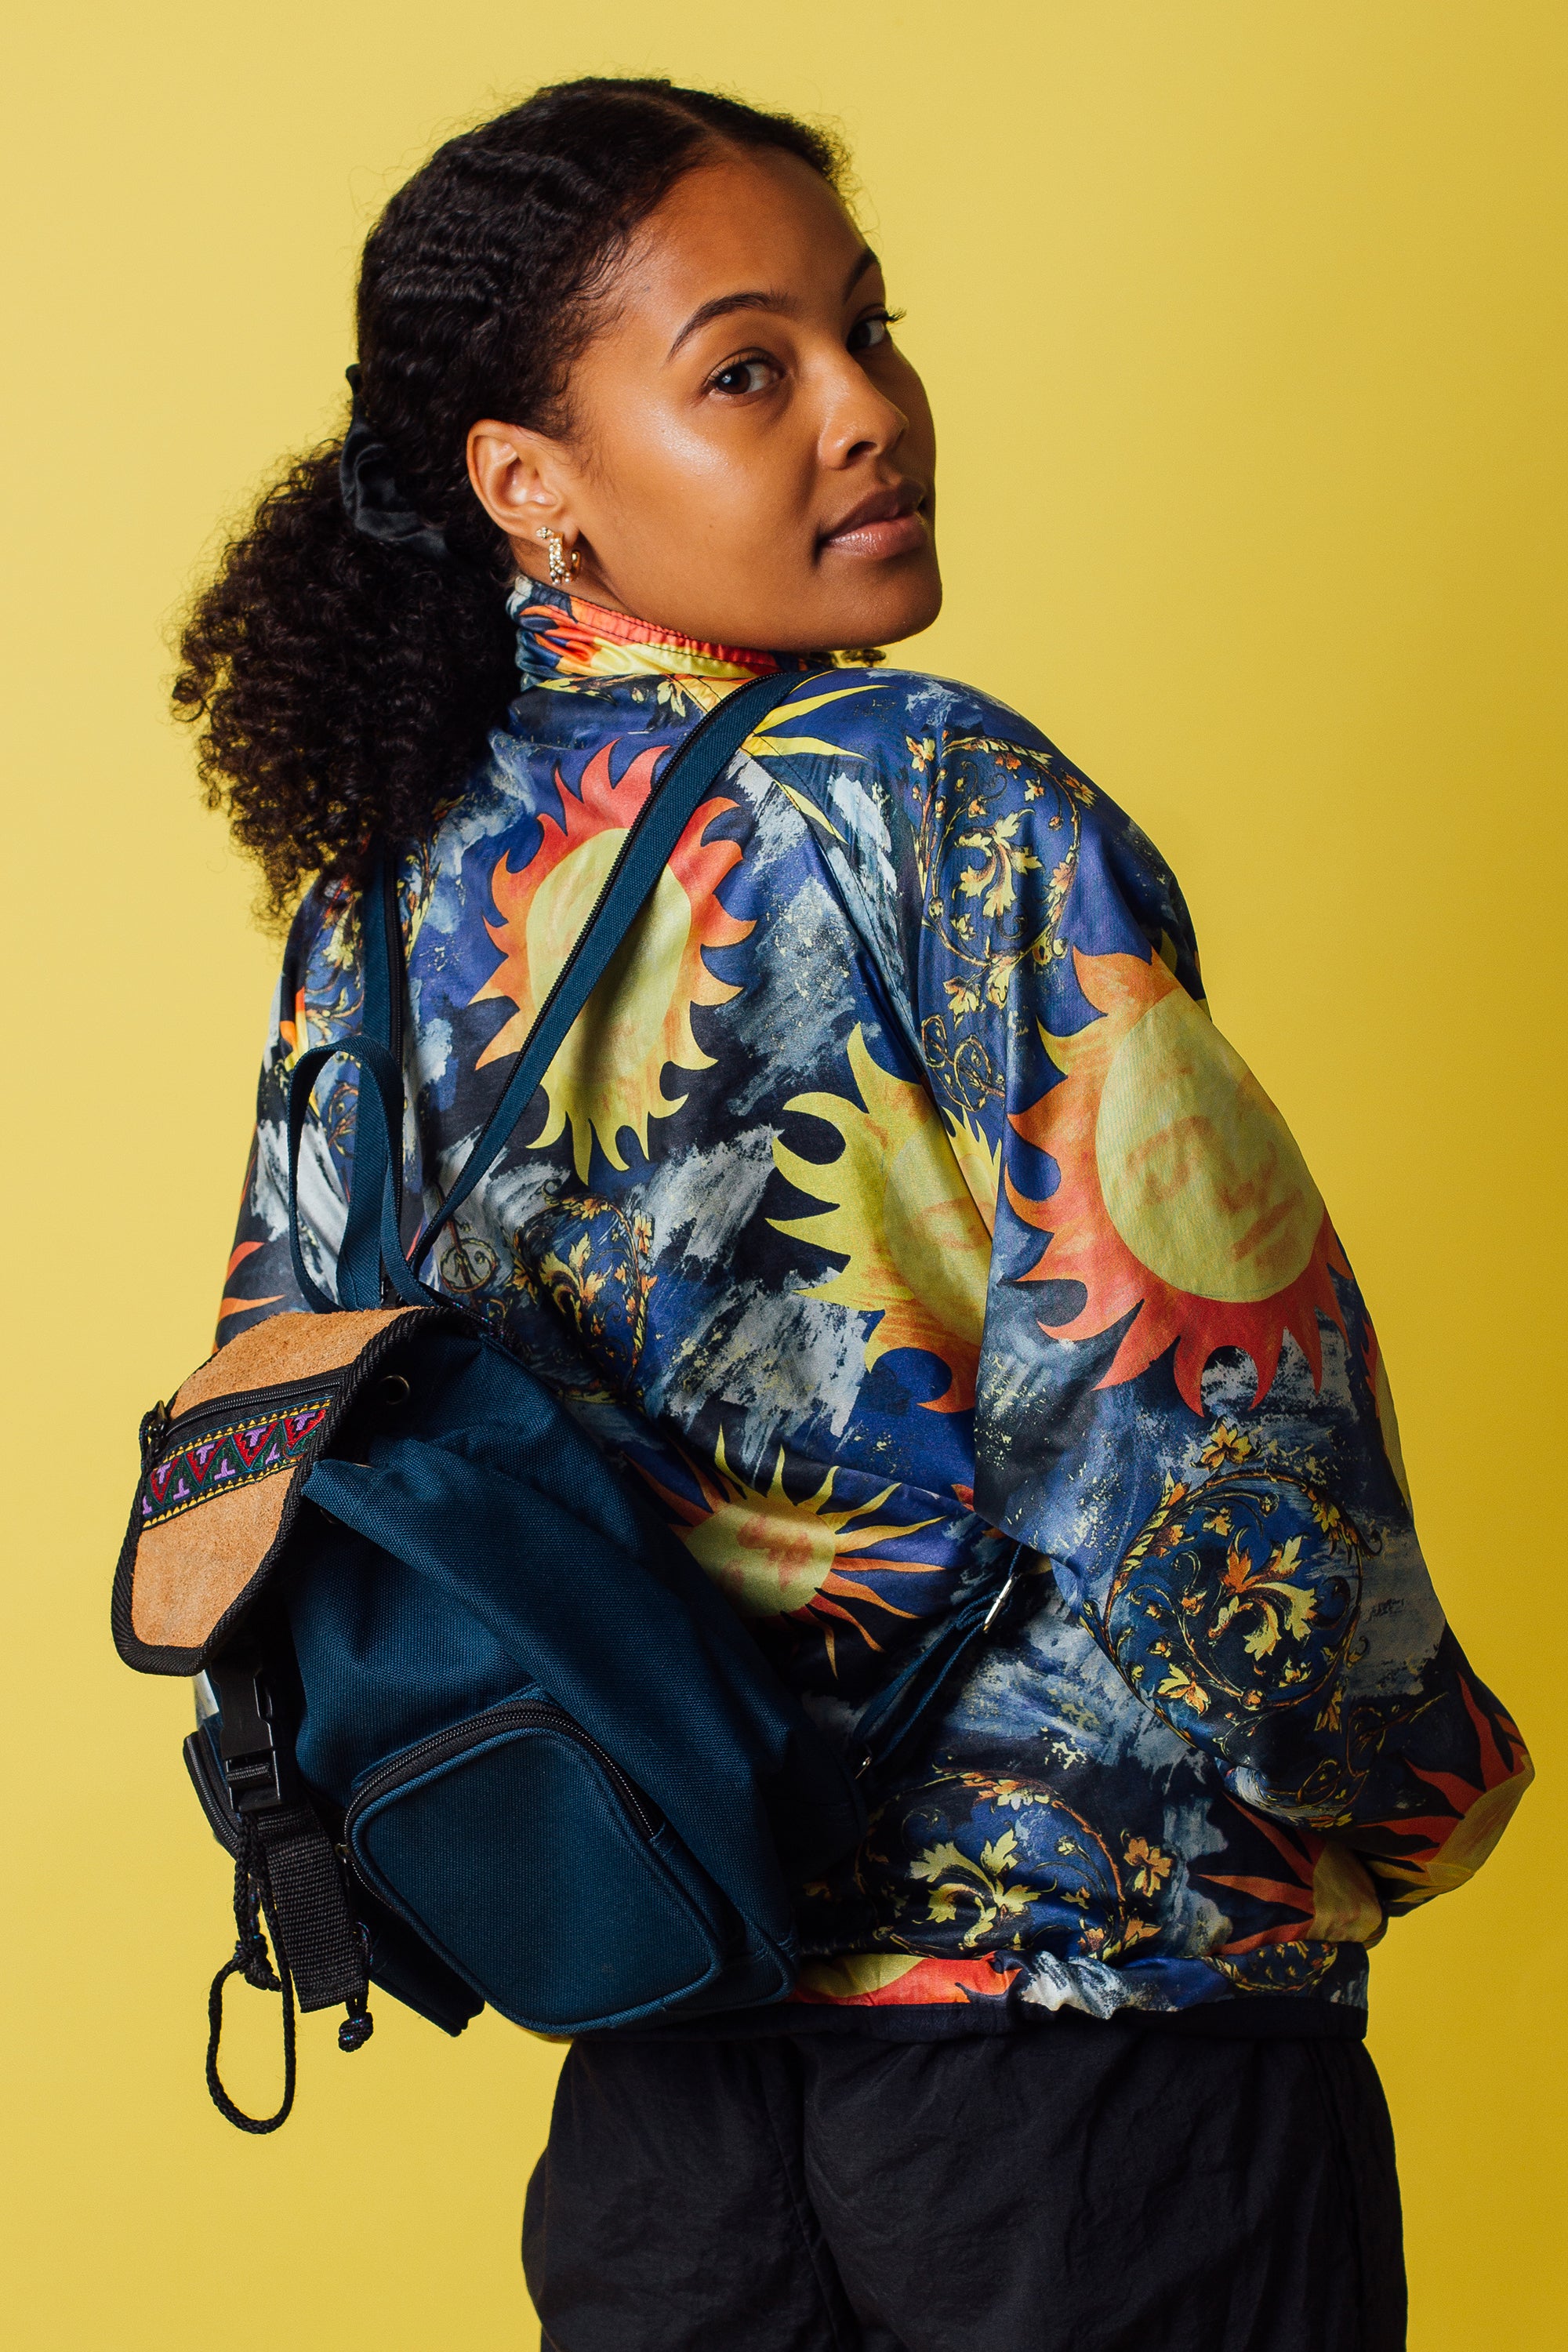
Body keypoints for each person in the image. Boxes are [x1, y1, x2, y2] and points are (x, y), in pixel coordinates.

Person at [176, 77, 1530, 2352]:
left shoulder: (375, 912)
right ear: (526, 480)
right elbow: (1203, 1419)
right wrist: (1414, 1800)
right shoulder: (938, 798)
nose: (866, 410)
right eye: (747, 371)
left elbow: (283, 1443)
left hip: (662, 2076)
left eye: (868, 329)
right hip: (1095, 2062)